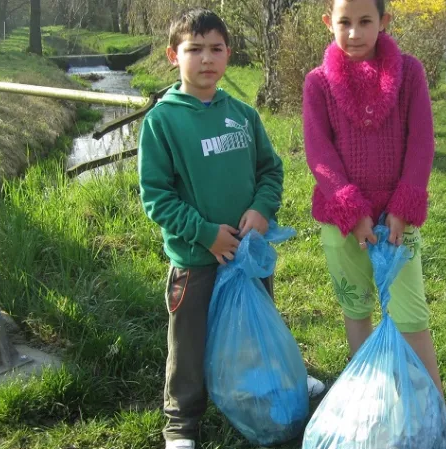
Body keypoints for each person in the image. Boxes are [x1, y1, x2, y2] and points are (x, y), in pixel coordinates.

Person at [302, 0, 446, 448]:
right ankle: (368, 404)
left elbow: (421, 140)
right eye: (344, 22)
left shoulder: (410, 73)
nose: (353, 33)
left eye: (365, 21)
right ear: (328, 22)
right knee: (357, 312)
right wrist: (351, 210)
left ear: (384, 22)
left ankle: (436, 411)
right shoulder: (317, 83)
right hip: (342, 223)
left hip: (396, 226)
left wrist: (403, 206)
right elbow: (319, 153)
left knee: (411, 317)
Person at [137, 9, 325, 449]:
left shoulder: (242, 114)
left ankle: (272, 382)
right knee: (189, 345)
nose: (206, 59)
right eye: (194, 49)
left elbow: (270, 171)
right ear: (172, 55)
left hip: (248, 255)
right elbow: (156, 197)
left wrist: (261, 210)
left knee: (255, 328)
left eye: (216, 49)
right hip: (197, 260)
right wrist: (204, 233)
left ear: (229, 55)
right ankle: (181, 423)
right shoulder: (163, 122)